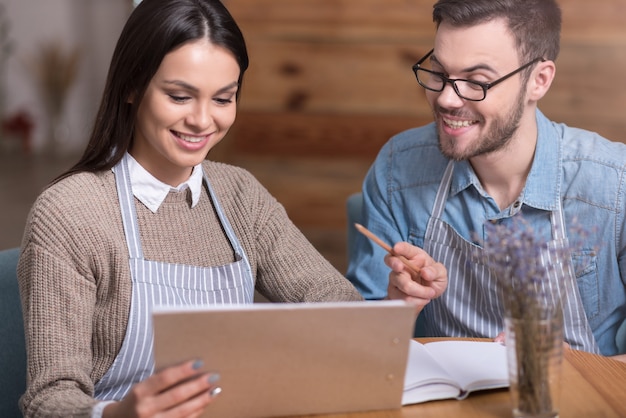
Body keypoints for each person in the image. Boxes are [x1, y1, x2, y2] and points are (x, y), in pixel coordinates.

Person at [15, 1, 374, 416]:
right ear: (132, 86)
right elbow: (48, 399)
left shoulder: (240, 195)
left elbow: (332, 303)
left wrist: (388, 309)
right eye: (180, 96)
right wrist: (117, 414)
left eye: (223, 99)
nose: (203, 121)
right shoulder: (70, 212)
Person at [347, 0, 626, 359]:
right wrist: (395, 305)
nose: (447, 99)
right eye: (439, 73)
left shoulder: (613, 184)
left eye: (476, 82)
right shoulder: (397, 168)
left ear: (538, 81)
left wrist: (574, 369)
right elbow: (359, 346)